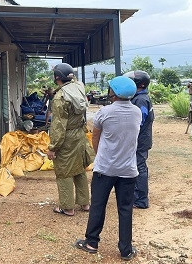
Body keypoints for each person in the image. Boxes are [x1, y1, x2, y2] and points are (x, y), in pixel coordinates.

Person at [74, 76, 141, 261]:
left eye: (111, 89)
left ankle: (91, 242)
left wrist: (101, 155)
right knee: (125, 209)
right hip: (128, 170)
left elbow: (95, 138)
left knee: (98, 205)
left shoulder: (104, 113)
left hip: (105, 169)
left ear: (114, 93)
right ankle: (126, 250)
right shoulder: (137, 112)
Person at [47, 63, 90, 216]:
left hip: (67, 137)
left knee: (64, 171)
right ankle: (85, 203)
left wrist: (52, 148)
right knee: (79, 169)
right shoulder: (78, 87)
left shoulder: (60, 98)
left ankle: (67, 207)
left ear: (57, 77)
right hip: (79, 134)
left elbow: (58, 127)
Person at [125, 70, 154, 209]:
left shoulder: (141, 100)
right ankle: (136, 196)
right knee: (136, 166)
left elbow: (139, 121)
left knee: (139, 167)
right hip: (140, 139)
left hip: (140, 140)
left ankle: (141, 199)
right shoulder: (138, 97)